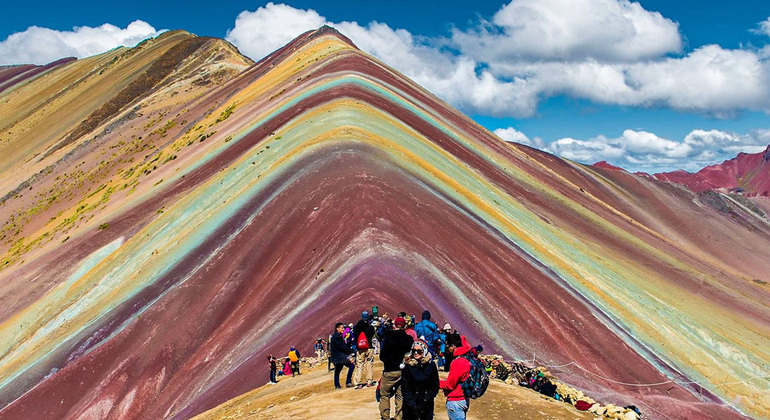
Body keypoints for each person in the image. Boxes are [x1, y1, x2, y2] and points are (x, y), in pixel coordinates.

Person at [379, 316, 414, 420]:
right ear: (404, 326)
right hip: (403, 371)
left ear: (394, 325)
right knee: (400, 395)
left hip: (389, 371)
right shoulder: (408, 339)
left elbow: (382, 356)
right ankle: (399, 416)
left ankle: (385, 417)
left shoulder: (388, 338)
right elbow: (410, 355)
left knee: (384, 395)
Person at [401, 340, 439, 420]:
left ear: (424, 352)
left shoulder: (431, 366)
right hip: (410, 406)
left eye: (419, 351)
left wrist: (428, 397)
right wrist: (412, 404)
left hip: (427, 404)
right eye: (414, 351)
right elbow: (405, 388)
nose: (416, 353)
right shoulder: (408, 366)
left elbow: (435, 384)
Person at [439, 334, 472, 420]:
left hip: (456, 400)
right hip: (464, 397)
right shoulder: (467, 357)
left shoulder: (458, 362)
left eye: (448, 346)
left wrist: (437, 382)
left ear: (453, 346)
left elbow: (450, 384)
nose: (447, 349)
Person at [353, 310, 376, 389]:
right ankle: (369, 381)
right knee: (369, 363)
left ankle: (358, 382)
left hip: (360, 348)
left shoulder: (356, 327)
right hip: (369, 347)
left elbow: (355, 336)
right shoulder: (370, 327)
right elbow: (372, 334)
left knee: (360, 365)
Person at [330, 322, 355, 389]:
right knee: (351, 365)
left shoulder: (337, 336)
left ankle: (338, 385)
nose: (343, 329)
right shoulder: (336, 337)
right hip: (340, 357)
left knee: (337, 371)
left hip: (339, 357)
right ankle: (348, 382)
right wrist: (351, 351)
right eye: (342, 328)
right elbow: (342, 346)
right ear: (337, 328)